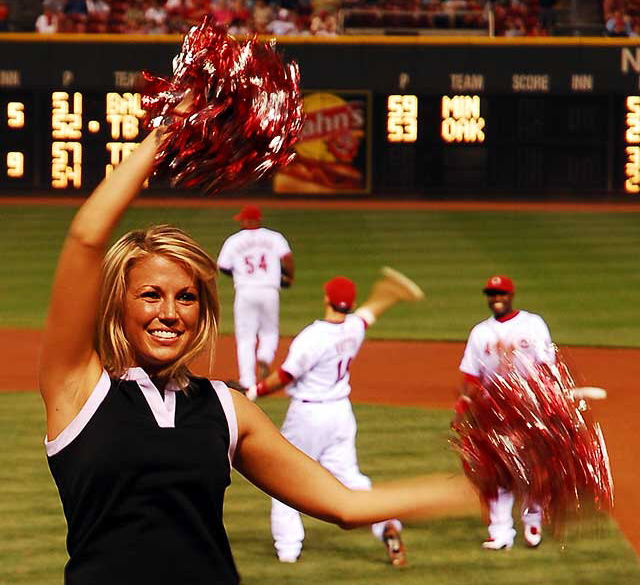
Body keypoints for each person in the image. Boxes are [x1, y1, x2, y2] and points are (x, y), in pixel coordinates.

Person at [39, 125, 478, 584]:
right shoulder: (78, 388)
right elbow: (86, 238)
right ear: (119, 303)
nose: (169, 313)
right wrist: (172, 128)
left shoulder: (227, 410)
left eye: (186, 298)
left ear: (203, 310)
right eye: (150, 295)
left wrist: (476, 491)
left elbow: (347, 506)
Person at [246, 269, 424, 566]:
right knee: (351, 480)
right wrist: (389, 294)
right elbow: (370, 312)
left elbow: (287, 375)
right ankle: (386, 524)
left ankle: (288, 552)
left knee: (284, 479)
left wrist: (255, 390)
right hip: (341, 413)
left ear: (327, 298)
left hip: (309, 415)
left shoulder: (313, 337)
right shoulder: (353, 327)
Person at [458, 275, 555, 550]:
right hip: (493, 412)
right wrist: (464, 407)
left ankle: (533, 520)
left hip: (529, 406)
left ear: (511, 295)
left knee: (531, 469)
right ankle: (500, 533)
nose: (496, 297)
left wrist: (549, 405)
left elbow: (548, 365)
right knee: (497, 471)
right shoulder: (480, 332)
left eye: (500, 293)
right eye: (491, 293)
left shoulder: (533, 324)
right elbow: (472, 376)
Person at [216, 205, 294, 389]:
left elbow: (223, 266)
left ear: (244, 221)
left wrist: (239, 273)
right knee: (270, 331)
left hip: (245, 291)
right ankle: (265, 356)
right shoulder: (274, 237)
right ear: (259, 220)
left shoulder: (234, 241)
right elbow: (287, 258)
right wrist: (289, 276)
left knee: (245, 337)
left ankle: (247, 381)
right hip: (269, 290)